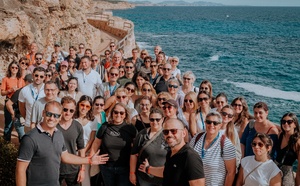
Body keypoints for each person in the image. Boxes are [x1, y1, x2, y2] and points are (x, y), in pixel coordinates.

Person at [16, 101, 109, 186]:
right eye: (49, 114)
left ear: (60, 117)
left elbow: (65, 156)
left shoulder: (58, 134)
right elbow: (20, 170)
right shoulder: (30, 138)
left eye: (56, 115)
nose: (52, 118)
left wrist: (88, 160)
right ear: (43, 113)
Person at [139, 118, 205, 186]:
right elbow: (168, 171)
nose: (169, 135)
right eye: (166, 132)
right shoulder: (170, 153)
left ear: (184, 133)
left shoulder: (190, 156)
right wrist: (148, 169)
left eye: (174, 131)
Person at [90, 103, 138, 186]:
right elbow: (96, 143)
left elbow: (136, 146)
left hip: (124, 167)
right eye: (116, 112)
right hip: (107, 167)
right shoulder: (105, 126)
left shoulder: (130, 128)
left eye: (121, 113)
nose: (118, 115)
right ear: (112, 113)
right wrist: (91, 158)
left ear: (125, 114)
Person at [190, 111, 236, 186]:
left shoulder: (226, 145)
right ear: (205, 123)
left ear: (220, 125)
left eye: (215, 123)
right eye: (209, 122)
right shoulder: (196, 138)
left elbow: (231, 172)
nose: (211, 125)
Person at [130, 108, 167, 186]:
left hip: (163, 177)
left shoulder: (167, 134)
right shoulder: (142, 134)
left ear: (163, 119)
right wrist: (132, 173)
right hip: (145, 177)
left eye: (157, 119)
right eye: (152, 120)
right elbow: (133, 154)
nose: (155, 122)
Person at [57, 96, 85, 186]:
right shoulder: (53, 126)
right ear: (61, 109)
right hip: (55, 168)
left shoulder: (78, 126)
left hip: (73, 169)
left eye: (71, 110)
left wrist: (82, 169)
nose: (68, 113)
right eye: (65, 110)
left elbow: (81, 149)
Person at [74, 95, 98, 186]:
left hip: (86, 151)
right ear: (78, 104)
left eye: (87, 106)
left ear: (90, 108)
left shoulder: (93, 120)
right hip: (73, 151)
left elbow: (92, 138)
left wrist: (83, 150)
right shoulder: (73, 118)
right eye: (82, 105)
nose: (84, 108)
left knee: (85, 180)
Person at [1, 61, 25, 141]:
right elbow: (2, 93)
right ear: (10, 68)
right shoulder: (5, 79)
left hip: (18, 104)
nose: (14, 69)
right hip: (9, 103)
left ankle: (21, 143)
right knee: (8, 124)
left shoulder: (20, 79)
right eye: (13, 67)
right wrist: (10, 90)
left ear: (18, 69)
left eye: (16, 68)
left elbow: (24, 90)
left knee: (19, 124)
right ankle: (6, 145)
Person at [5, 74, 32, 141]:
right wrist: (13, 114)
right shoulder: (20, 91)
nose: (30, 83)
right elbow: (8, 104)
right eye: (28, 81)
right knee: (24, 138)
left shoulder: (34, 93)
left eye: (31, 81)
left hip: (29, 119)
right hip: (19, 118)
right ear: (25, 81)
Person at [276, 112, 300, 185]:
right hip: (275, 167)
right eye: (283, 122)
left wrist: (297, 184)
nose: (286, 124)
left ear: (295, 124)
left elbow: (299, 169)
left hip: (286, 171)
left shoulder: (297, 142)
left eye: (289, 122)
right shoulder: (280, 134)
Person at [220, 105, 242, 172]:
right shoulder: (213, 126)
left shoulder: (233, 132)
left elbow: (237, 152)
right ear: (220, 113)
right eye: (224, 113)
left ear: (232, 118)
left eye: (229, 115)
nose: (226, 116)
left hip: (225, 167)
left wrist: (233, 167)